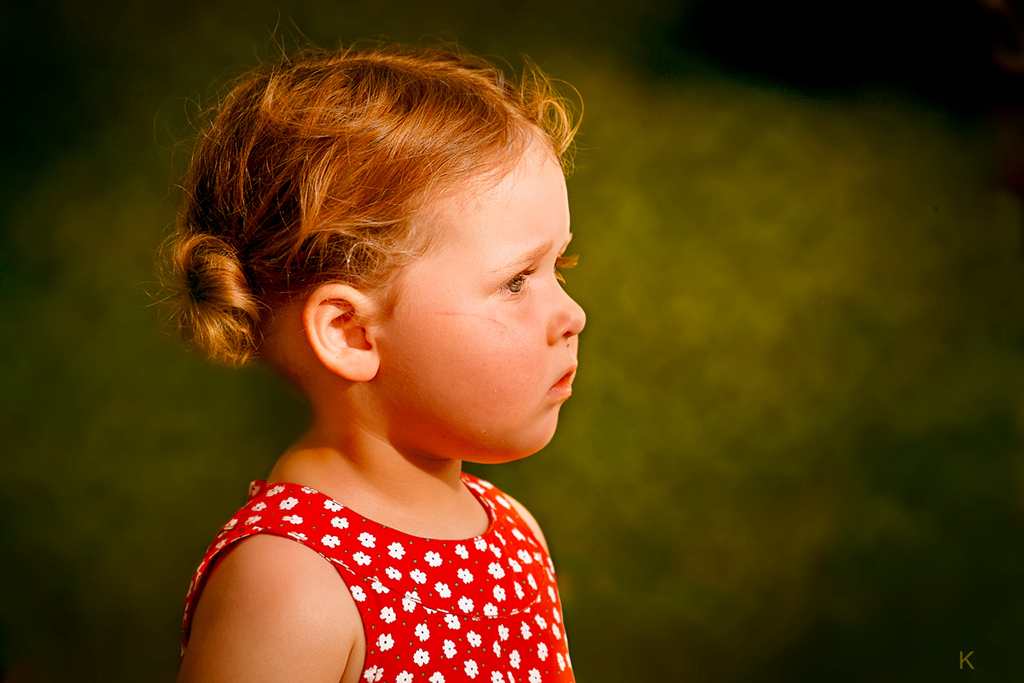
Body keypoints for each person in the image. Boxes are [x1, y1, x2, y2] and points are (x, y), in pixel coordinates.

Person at [167, 42, 585, 683]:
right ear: (351, 333)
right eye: (515, 281)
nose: (573, 315)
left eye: (559, 265)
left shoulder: (514, 531)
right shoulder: (292, 586)